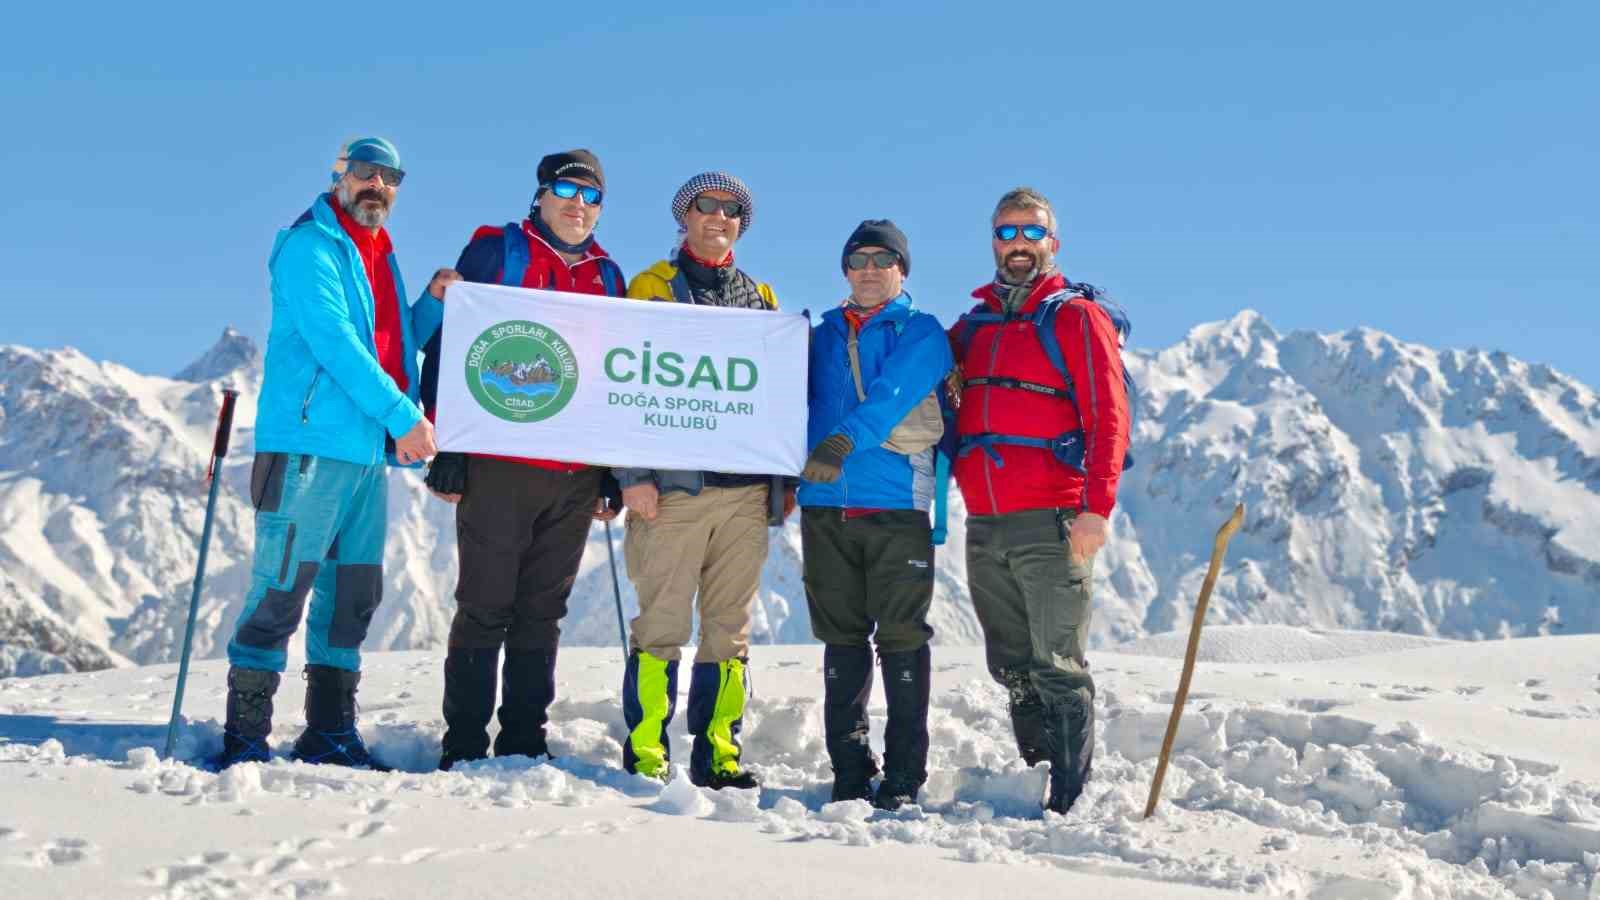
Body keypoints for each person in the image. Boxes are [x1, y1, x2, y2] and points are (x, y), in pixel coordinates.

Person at [219, 136, 453, 769]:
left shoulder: (376, 251)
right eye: (365, 173)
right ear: (340, 177)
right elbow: (337, 346)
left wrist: (430, 305)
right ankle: (243, 739)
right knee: (281, 590)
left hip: (362, 455)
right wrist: (407, 417)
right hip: (306, 446)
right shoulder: (309, 247)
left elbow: (388, 341)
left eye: (390, 177)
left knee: (353, 594)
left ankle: (328, 732)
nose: (377, 185)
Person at [419, 149, 628, 770]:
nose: (579, 205)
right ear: (540, 194)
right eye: (567, 190)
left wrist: (611, 469)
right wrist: (448, 444)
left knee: (543, 612)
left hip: (573, 471)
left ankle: (524, 741)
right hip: (499, 463)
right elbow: (449, 343)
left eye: (592, 196)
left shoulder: (608, 275)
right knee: (485, 607)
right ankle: (463, 745)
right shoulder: (498, 250)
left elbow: (617, 379)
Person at [948, 187, 1130, 814]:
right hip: (986, 522)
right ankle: (1035, 780)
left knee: (1057, 663)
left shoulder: (1075, 318)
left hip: (1055, 516)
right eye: (1005, 233)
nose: (1017, 243)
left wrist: (1096, 507)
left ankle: (1070, 801)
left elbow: (1110, 416)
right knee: (1013, 664)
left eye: (1030, 232)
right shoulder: (973, 326)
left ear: (1053, 242)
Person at [613, 171, 792, 789]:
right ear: (683, 216)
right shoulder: (652, 288)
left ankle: (719, 755)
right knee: (661, 624)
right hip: (673, 490)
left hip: (744, 493)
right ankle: (646, 754)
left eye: (733, 210)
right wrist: (631, 476)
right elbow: (625, 385)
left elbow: (774, 395)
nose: (720, 217)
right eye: (707, 206)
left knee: (728, 629)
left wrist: (781, 482)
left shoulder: (761, 296)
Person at [798, 219, 953, 809]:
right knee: (841, 639)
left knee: (901, 638)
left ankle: (905, 773)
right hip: (823, 507)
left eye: (881, 260)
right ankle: (849, 767)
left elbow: (892, 396)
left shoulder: (922, 333)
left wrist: (840, 442)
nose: (867, 269)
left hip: (895, 506)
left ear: (901, 270)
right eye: (857, 260)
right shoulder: (820, 335)